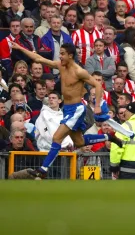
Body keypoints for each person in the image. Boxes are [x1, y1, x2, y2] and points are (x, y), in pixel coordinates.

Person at [11, 42, 124, 179]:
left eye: (63, 53)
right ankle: (108, 136)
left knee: (57, 137)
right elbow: (39, 59)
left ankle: (43, 169)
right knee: (79, 142)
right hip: (67, 109)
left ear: (70, 55)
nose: (60, 56)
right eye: (60, 53)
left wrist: (98, 105)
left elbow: (97, 85)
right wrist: (20, 47)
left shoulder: (79, 71)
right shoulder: (60, 66)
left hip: (77, 109)